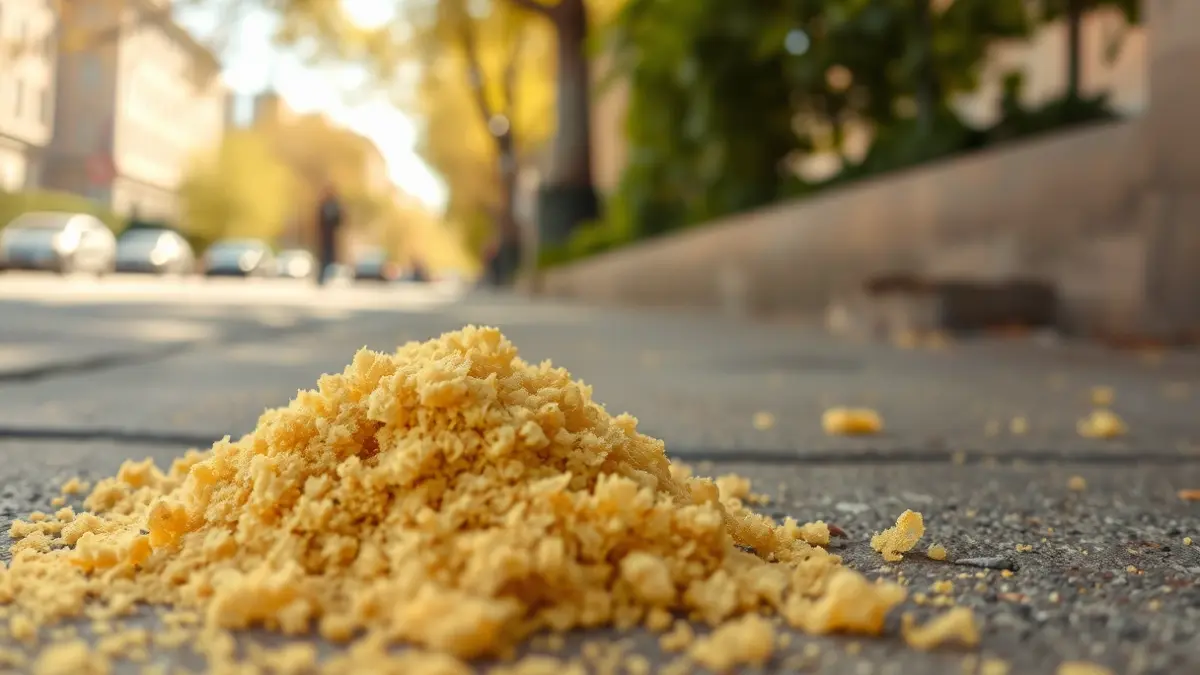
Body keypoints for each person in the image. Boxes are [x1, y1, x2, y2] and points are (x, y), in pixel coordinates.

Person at [316, 183, 344, 285]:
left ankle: (326, 276)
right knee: (324, 256)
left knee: (329, 256)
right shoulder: (324, 205)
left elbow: (340, 220)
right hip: (324, 235)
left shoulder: (333, 205)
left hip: (331, 235)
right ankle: (322, 277)